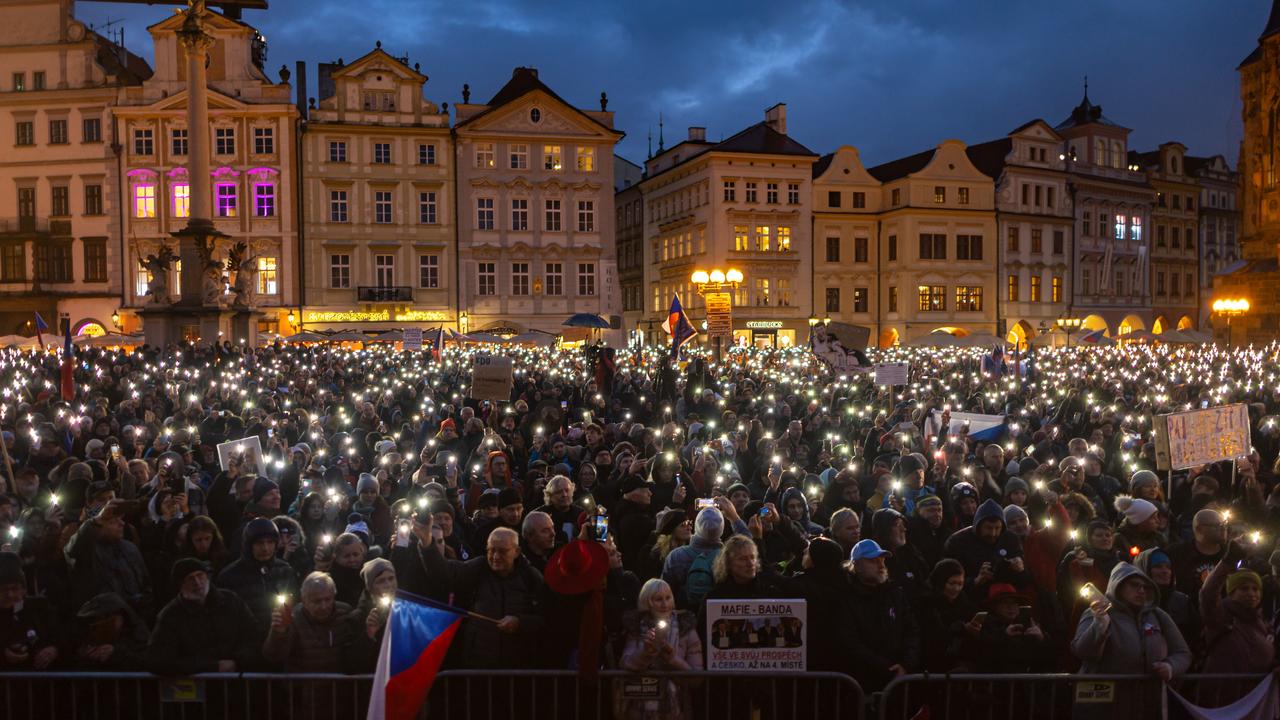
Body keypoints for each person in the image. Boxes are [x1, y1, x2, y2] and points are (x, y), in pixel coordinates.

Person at [412, 515, 544, 668]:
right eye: (491, 550)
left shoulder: (531, 577)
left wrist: (520, 622)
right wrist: (427, 542)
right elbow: (446, 573)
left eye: (502, 551)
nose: (495, 557)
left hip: (518, 667)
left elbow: (546, 618)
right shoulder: (479, 568)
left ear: (516, 551)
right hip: (478, 665)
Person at [1071, 561, 1192, 719]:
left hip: (1147, 705)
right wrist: (1099, 626)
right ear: (1118, 586)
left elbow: (1183, 653)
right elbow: (1082, 651)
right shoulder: (1095, 613)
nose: (1141, 591)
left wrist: (1170, 666)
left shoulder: (1157, 615)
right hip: (1105, 707)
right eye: (1134, 585)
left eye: (1145, 587)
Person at [148, 558, 259, 675]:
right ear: (180, 585)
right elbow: (158, 661)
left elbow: (252, 634)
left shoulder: (231, 601)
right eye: (190, 579)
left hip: (237, 679)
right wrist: (212, 667)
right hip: (197, 688)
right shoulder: (170, 615)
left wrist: (238, 660)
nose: (197, 582)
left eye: (200, 575)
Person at [618, 578, 702, 720]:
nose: (664, 604)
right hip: (640, 708)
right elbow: (626, 664)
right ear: (647, 602)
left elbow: (697, 676)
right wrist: (646, 652)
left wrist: (673, 659)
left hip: (676, 708)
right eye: (658, 599)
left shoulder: (685, 628)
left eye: (668, 598)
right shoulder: (637, 627)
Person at [845, 539, 919, 693]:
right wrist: (887, 668)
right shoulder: (846, 599)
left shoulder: (895, 594)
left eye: (882, 559)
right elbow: (850, 644)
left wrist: (906, 664)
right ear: (856, 566)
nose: (880, 565)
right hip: (861, 684)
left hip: (898, 681)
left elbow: (911, 630)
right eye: (873, 560)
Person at [262, 571, 363, 673]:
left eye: (328, 599)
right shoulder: (294, 618)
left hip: (338, 686)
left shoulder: (345, 613)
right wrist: (278, 633)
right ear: (304, 601)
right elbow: (274, 656)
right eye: (317, 601)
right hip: (304, 686)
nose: (324, 606)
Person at [1198, 541, 1275, 674]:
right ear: (1232, 592)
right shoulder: (1220, 616)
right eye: (1244, 589)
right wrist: (1229, 561)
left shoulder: (1260, 623)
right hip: (1223, 692)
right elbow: (1208, 593)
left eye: (1256, 589)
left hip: (1255, 692)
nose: (1251, 594)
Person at [215, 518, 298, 638]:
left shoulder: (284, 570)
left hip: (280, 640)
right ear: (249, 545)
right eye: (259, 543)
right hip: (246, 643)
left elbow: (296, 604)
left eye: (270, 542)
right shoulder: (229, 577)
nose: (265, 548)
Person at [662, 503, 747, 609]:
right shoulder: (729, 556)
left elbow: (665, 590)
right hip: (718, 617)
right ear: (721, 529)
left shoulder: (676, 556)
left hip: (685, 613)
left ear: (697, 525)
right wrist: (735, 518)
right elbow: (750, 547)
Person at [916, 558, 978, 672]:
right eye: (952, 583)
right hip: (932, 665)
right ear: (941, 581)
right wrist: (962, 628)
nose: (956, 589)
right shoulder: (926, 602)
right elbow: (933, 635)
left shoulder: (962, 601)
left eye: (960, 584)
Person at [0, 551, 59, 670]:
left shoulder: (38, 607)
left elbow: (60, 636)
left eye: (15, 588)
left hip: (43, 680)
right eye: (3, 589)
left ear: (23, 589)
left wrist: (54, 649)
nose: (10, 594)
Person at [71, 592, 150, 670]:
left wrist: (115, 654)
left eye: (105, 617)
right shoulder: (95, 633)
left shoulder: (139, 633)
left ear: (120, 616)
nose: (100, 621)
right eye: (98, 618)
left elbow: (147, 662)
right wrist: (88, 657)